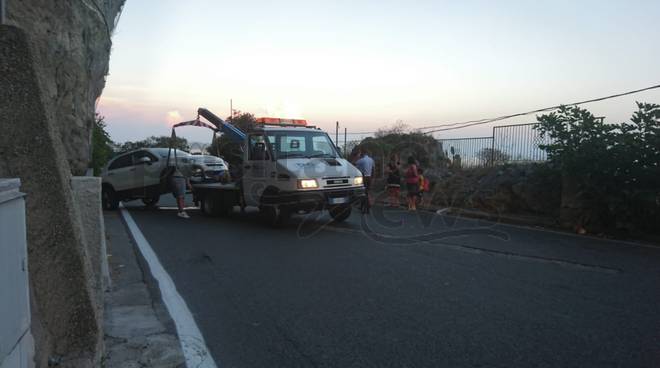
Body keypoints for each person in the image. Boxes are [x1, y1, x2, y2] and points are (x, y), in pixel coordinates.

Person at [355, 148, 375, 214]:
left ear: (362, 154)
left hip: (364, 177)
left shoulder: (362, 160)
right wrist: (372, 178)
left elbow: (355, 163)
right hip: (369, 177)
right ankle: (363, 206)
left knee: (363, 193)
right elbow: (373, 169)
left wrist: (358, 156)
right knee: (367, 192)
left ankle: (365, 206)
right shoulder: (371, 160)